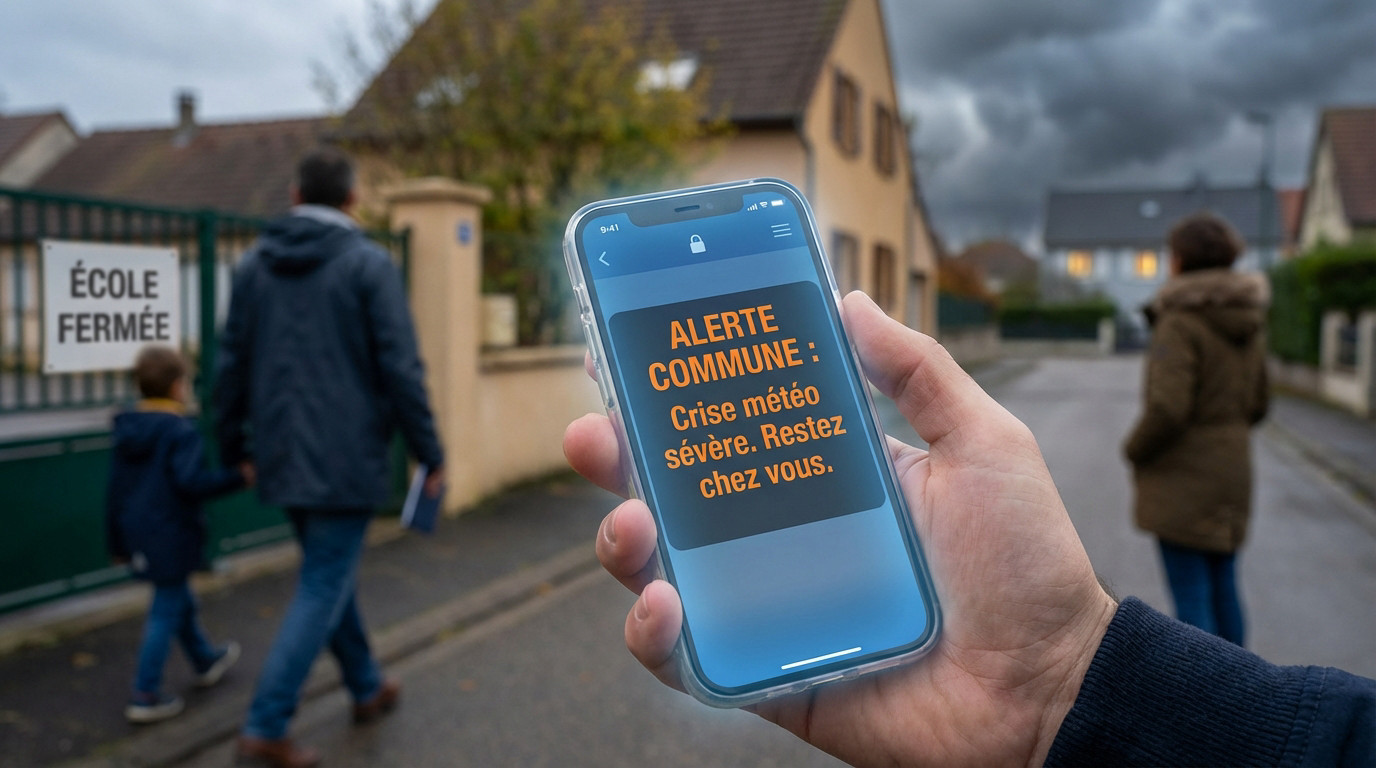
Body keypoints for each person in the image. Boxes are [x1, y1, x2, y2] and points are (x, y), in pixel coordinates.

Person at [564, 291, 1375, 766]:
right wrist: (1070, 678)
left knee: (1198, 589)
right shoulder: (1252, 332)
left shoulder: (1179, 332)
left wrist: (1068, 680)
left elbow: (1162, 411)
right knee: (1220, 592)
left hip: (1176, 485)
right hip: (1231, 479)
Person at [216, 147, 445, 768]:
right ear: (350, 200)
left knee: (327, 575)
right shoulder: (367, 264)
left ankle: (367, 686)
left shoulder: (252, 267)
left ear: (294, 197)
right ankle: (265, 727)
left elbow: (229, 364)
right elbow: (400, 368)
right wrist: (429, 451)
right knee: (323, 580)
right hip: (347, 460)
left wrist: (232, 446)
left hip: (281, 456)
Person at [1124, 212, 1269, 646]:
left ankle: (1207, 704)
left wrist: (1135, 449)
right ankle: (1244, 693)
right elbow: (1259, 404)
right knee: (1224, 586)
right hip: (1233, 470)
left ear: (1181, 260)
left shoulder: (1181, 320)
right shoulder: (1248, 320)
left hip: (1185, 479)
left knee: (1191, 599)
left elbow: (1168, 408)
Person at [105, 345, 249, 724]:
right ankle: (145, 692)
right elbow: (191, 482)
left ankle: (204, 659)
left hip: (138, 532)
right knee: (165, 608)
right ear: (176, 387)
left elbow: (115, 491)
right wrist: (237, 477)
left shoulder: (129, 428)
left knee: (177, 598)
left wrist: (116, 543)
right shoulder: (179, 431)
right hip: (170, 532)